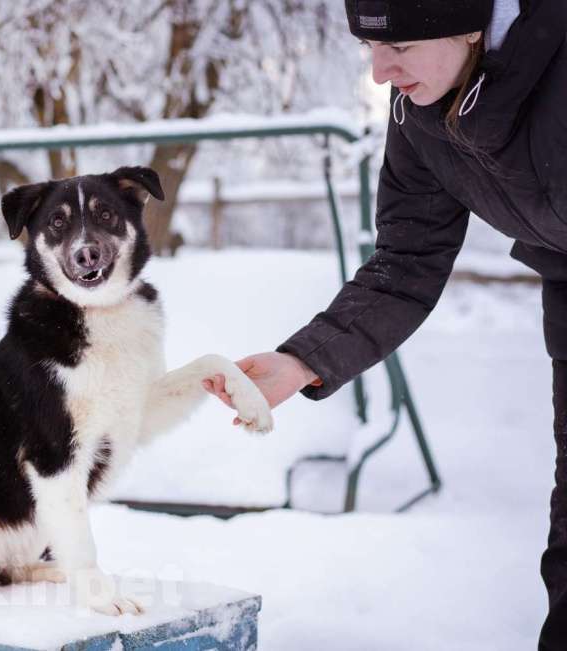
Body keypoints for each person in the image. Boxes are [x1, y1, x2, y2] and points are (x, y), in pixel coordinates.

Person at [202, 0, 566, 647]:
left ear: (466, 24)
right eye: (370, 48)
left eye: (397, 49)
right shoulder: (423, 113)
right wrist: (301, 360)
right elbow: (408, 258)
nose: (379, 73)